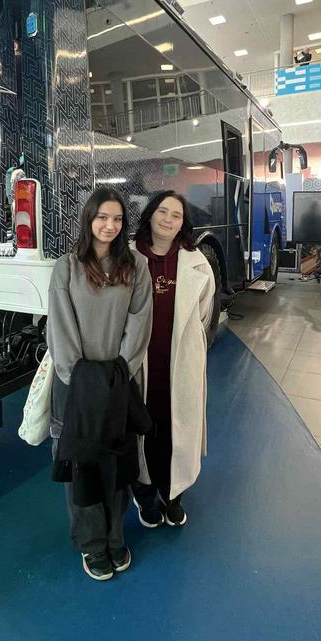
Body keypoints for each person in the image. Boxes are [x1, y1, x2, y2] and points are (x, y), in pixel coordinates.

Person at [46, 187, 153, 581]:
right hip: (74, 387)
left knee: (118, 464)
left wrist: (120, 371)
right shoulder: (67, 267)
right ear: (88, 219)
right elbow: (60, 328)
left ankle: (115, 536)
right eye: (102, 217)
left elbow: (140, 321)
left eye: (118, 219)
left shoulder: (135, 265)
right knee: (83, 466)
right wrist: (83, 378)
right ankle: (92, 544)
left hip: (119, 382)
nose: (110, 225)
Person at [132, 191, 215, 529]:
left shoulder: (196, 261)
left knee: (176, 430)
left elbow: (204, 312)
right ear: (150, 214)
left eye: (176, 215)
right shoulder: (128, 257)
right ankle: (145, 497)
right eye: (162, 211)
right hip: (139, 363)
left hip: (180, 363)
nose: (168, 219)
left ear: (183, 223)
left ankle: (174, 496)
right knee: (141, 430)